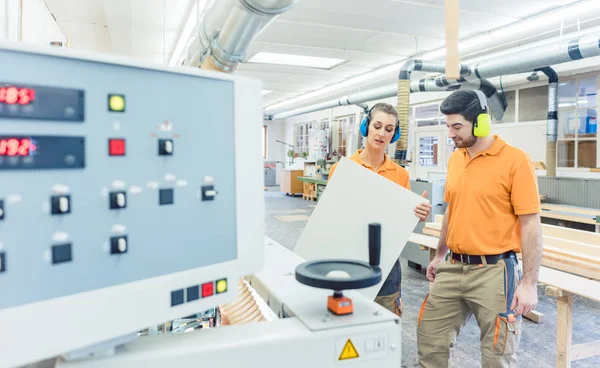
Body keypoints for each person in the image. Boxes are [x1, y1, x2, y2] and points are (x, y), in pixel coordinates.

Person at [416, 90, 543, 367]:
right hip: (452, 267)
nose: (450, 133)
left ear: (481, 122)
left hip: (495, 273)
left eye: (457, 126)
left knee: (498, 353)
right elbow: (453, 209)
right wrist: (439, 255)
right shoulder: (456, 159)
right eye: (448, 126)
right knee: (429, 341)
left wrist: (530, 283)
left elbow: (531, 223)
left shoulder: (515, 161)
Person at [328, 102, 432, 317]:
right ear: (366, 127)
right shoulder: (344, 169)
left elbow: (402, 221)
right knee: (348, 321)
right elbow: (330, 217)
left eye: (388, 129)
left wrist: (417, 215)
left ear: (394, 134)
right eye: (377, 126)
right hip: (349, 257)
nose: (381, 133)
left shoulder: (400, 175)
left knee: (384, 321)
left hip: (387, 261)